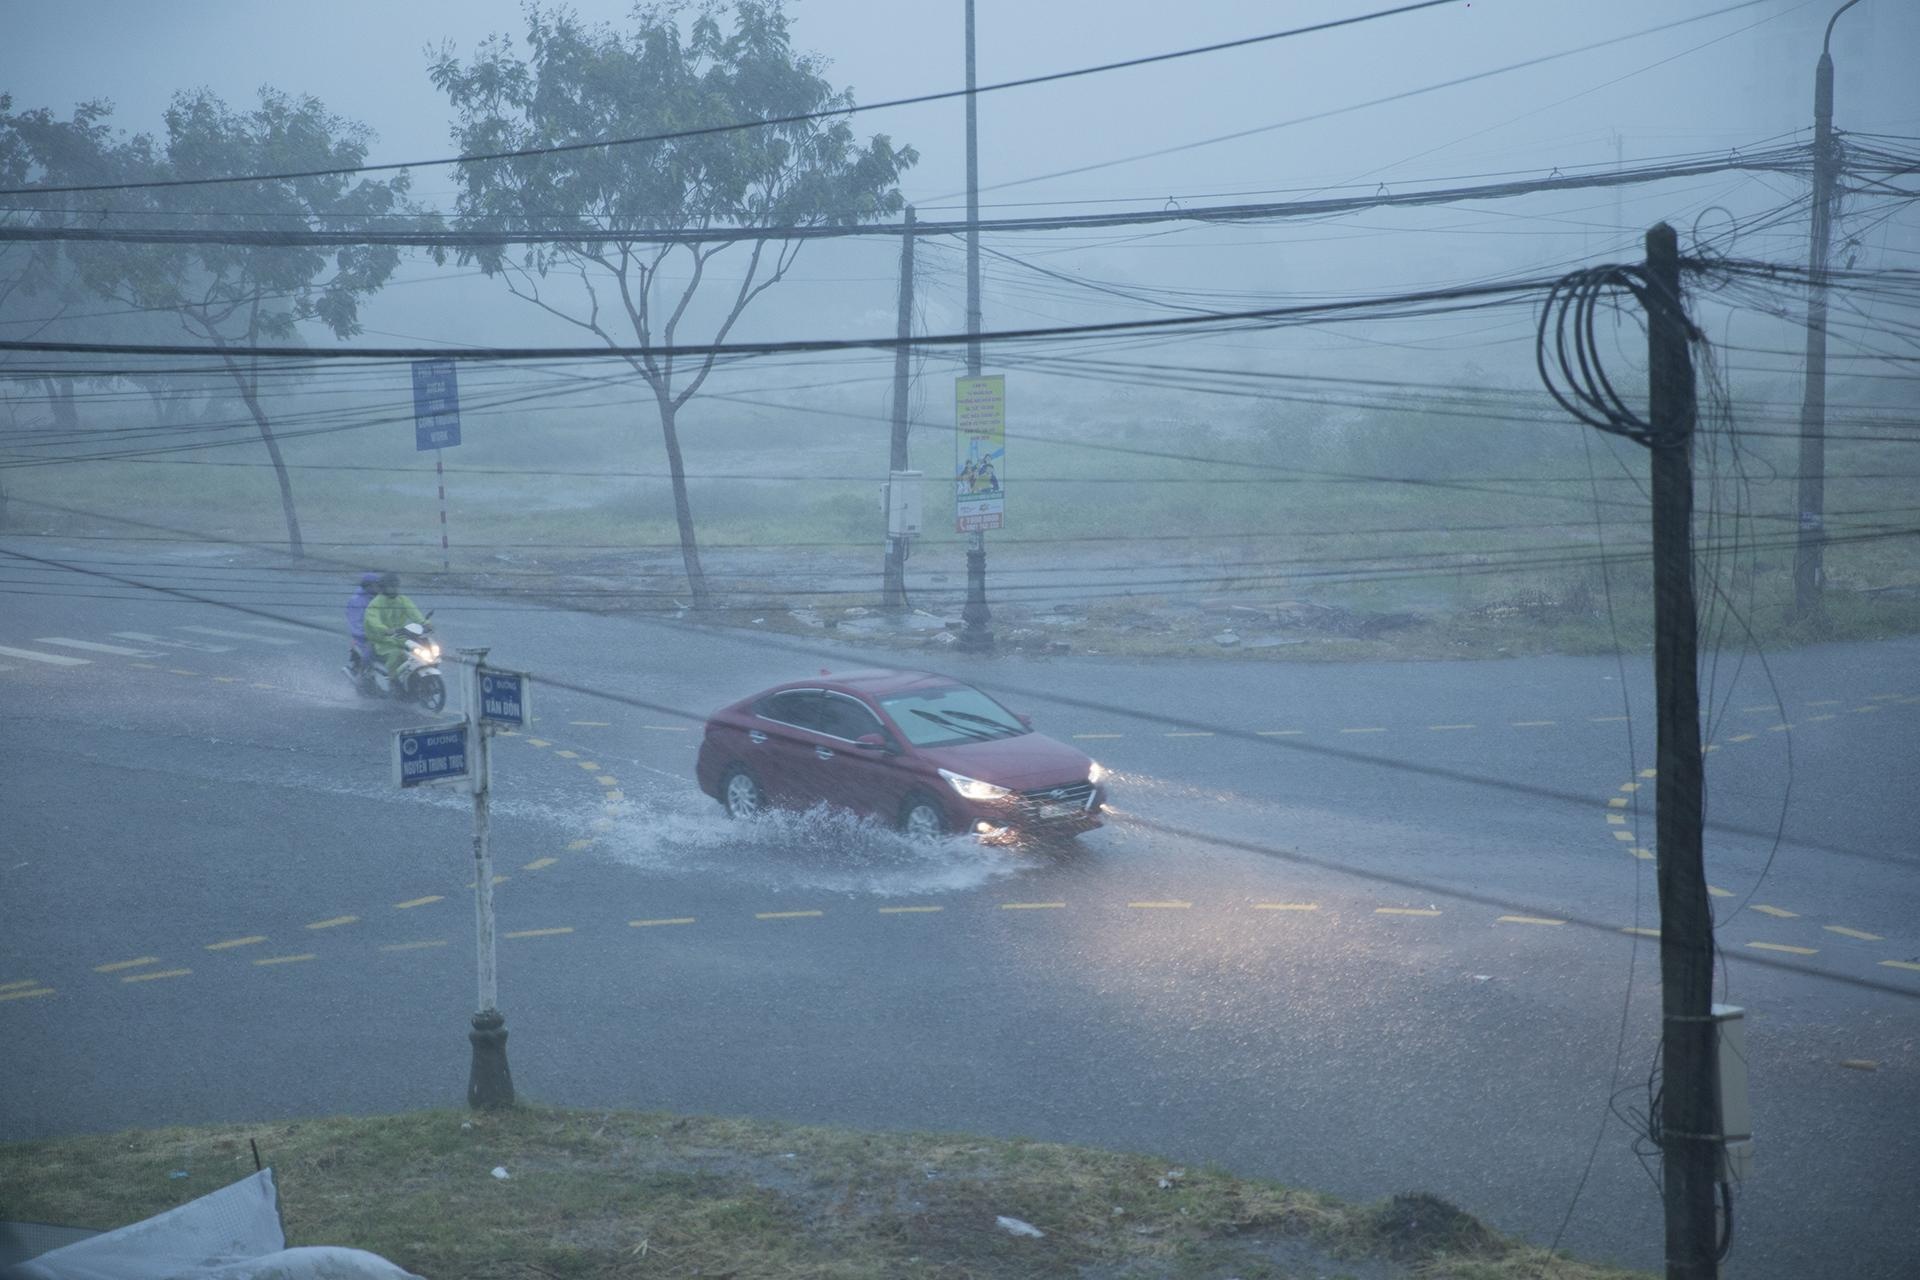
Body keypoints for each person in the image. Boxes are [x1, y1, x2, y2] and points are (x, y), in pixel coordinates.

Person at [363, 572, 427, 680]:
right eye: (391, 587)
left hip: (400, 636)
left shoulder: (402, 600)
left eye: (396, 586)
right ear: (384, 588)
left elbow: (413, 612)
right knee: (397, 653)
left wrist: (424, 623)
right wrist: (385, 630)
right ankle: (393, 679)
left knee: (419, 649)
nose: (395, 589)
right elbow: (373, 620)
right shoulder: (376, 603)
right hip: (381, 640)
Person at [345, 572, 380, 666]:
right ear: (368, 586)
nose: (380, 587)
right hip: (363, 640)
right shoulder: (357, 601)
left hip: (381, 636)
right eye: (377, 585)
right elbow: (356, 624)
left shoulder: (380, 599)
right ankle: (363, 675)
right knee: (368, 655)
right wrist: (369, 635)